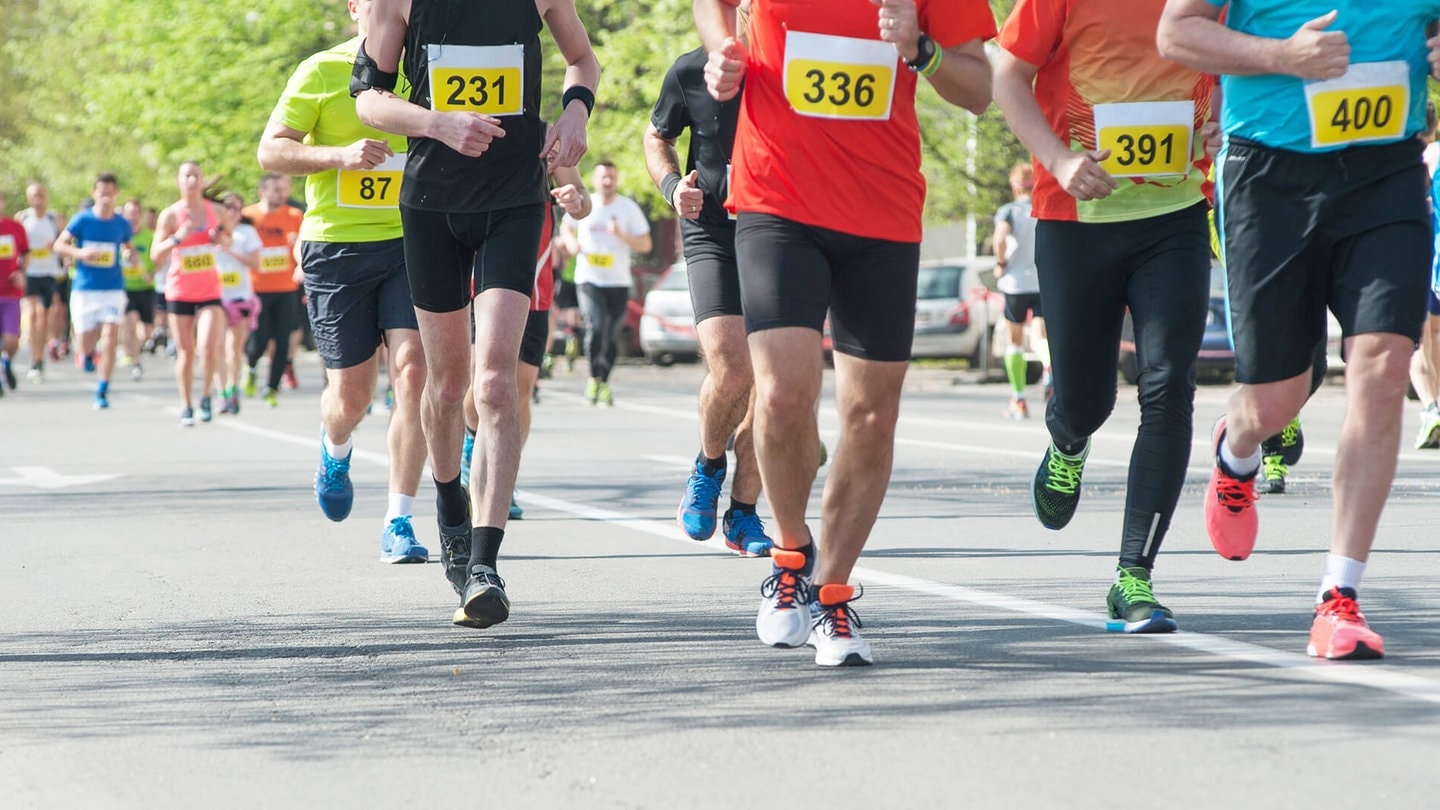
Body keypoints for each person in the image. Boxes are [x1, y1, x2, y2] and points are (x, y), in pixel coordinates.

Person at [694, 0, 994, 665]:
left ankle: (832, 596)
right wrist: (723, 49)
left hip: (882, 212)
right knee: (780, 394)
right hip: (778, 199)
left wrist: (923, 50)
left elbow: (979, 90)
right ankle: (791, 559)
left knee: (870, 416)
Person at [1157, 0, 1440, 659]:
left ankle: (1338, 595)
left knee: (1382, 366)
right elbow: (1176, 32)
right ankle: (1238, 449)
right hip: (1269, 175)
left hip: (1387, 170)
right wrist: (1281, 56)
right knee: (1276, 398)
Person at [354, 0, 600, 626]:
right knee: (446, 386)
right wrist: (438, 123)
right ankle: (447, 504)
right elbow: (369, 100)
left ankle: (485, 564)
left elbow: (582, 60)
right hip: (433, 205)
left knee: (495, 384)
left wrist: (575, 113)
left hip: (515, 201)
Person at [994, 0, 1219, 634]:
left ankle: (1134, 577)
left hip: (1174, 218)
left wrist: (1219, 122)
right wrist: (1059, 160)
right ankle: (1068, 438)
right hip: (1076, 222)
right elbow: (1007, 75)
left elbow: (1231, 65)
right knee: (1088, 400)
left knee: (1169, 387)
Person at [257, 0, 430, 565]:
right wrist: (340, 155)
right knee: (352, 394)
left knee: (413, 374)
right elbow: (272, 150)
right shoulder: (322, 70)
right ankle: (336, 448)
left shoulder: (426, 66)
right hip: (337, 246)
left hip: (412, 241)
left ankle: (399, 519)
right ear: (356, 7)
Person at [644, 45, 773, 557]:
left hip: (782, 233)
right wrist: (674, 187)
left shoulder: (797, 60)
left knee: (777, 380)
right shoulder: (693, 68)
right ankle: (709, 465)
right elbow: (658, 136)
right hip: (712, 231)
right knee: (732, 365)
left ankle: (743, 513)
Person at [461, 165, 590, 537]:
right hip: (479, 281)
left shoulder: (548, 141)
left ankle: (503, 477)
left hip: (534, 286)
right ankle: (473, 443)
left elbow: (584, 202)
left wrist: (575, 200)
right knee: (479, 385)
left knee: (520, 388)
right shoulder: (472, 129)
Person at [559, 161, 652, 406]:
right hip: (589, 278)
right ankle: (592, 377)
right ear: (595, 180)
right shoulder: (586, 205)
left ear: (616, 179)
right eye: (603, 177)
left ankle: (604, 381)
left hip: (618, 281)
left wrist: (621, 235)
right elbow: (566, 227)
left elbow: (646, 244)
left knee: (611, 335)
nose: (607, 181)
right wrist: (571, 243)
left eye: (611, 176)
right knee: (595, 326)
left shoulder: (628, 208)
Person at [149, 162, 226, 426]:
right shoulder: (170, 215)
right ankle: (186, 404)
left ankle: (205, 396)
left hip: (210, 290)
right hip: (180, 290)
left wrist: (220, 240)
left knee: (207, 346)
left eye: (196, 175)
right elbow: (155, 256)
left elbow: (230, 241)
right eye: (186, 176)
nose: (192, 180)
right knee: (187, 351)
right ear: (178, 181)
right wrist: (176, 239)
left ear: (202, 180)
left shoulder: (216, 211)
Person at [53, 173, 135, 411]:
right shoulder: (82, 220)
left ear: (116, 193)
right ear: (94, 193)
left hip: (113, 289)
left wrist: (130, 255)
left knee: (109, 339)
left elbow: (128, 248)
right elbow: (59, 245)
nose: (106, 196)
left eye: (110, 191)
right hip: (85, 289)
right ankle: (87, 354)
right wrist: (80, 254)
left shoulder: (121, 223)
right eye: (102, 191)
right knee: (86, 339)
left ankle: (102, 387)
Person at [242, 174, 304, 408]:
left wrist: (297, 240)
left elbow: (304, 245)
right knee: (260, 338)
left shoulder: (295, 216)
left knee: (282, 339)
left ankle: (272, 387)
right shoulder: (248, 216)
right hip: (257, 289)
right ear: (262, 191)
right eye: (275, 189)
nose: (281, 193)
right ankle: (250, 366)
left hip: (286, 287)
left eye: (283, 189)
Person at [991, 162, 1047, 419]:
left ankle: (1018, 399)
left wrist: (1000, 263)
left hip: (1015, 284)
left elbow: (1000, 238)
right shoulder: (1042, 209)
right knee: (1041, 338)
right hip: (1042, 281)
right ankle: (1049, 369)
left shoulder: (1009, 211)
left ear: (1015, 186)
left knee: (1014, 341)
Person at [214, 193, 262, 415]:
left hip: (240, 298)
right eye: (227, 207)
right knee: (216, 347)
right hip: (214, 299)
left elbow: (256, 263)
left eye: (235, 208)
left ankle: (233, 389)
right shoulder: (210, 233)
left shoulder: (246, 233)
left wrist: (231, 251)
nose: (231, 212)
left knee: (234, 349)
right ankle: (221, 392)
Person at [15, 183, 65, 383]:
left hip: (49, 273)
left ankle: (39, 357)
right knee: (33, 313)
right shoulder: (23, 218)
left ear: (47, 196)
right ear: (29, 198)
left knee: (44, 317)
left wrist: (56, 246)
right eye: (34, 195)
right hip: (29, 273)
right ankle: (34, 360)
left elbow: (66, 242)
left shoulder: (55, 218)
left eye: (41, 195)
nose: (38, 199)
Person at [1412, 103, 1440, 450]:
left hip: (1423, 256)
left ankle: (1431, 407)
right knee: (1433, 335)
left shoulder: (1417, 159)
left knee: (1417, 342)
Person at [120, 198, 157, 381]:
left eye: (136, 213)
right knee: (131, 322)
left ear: (140, 215)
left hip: (146, 287)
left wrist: (151, 272)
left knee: (147, 331)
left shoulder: (149, 236)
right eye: (129, 213)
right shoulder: (119, 236)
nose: (132, 217)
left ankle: (136, 350)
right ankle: (136, 361)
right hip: (126, 288)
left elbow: (158, 259)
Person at [0, 191, 29, 393]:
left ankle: (6, 362)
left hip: (10, 292)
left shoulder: (15, 228)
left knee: (12, 340)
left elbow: (26, 253)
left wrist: (21, 271)